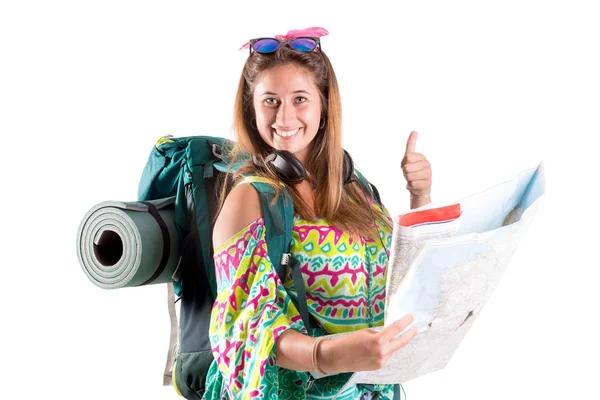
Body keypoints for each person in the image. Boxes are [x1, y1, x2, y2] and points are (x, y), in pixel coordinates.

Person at [204, 27, 433, 400]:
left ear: (324, 105)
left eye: (299, 99)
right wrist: (325, 355)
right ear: (251, 109)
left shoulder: (354, 187)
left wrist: (420, 197)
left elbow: (400, 279)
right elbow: (244, 331)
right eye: (270, 101)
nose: (285, 116)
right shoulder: (249, 200)